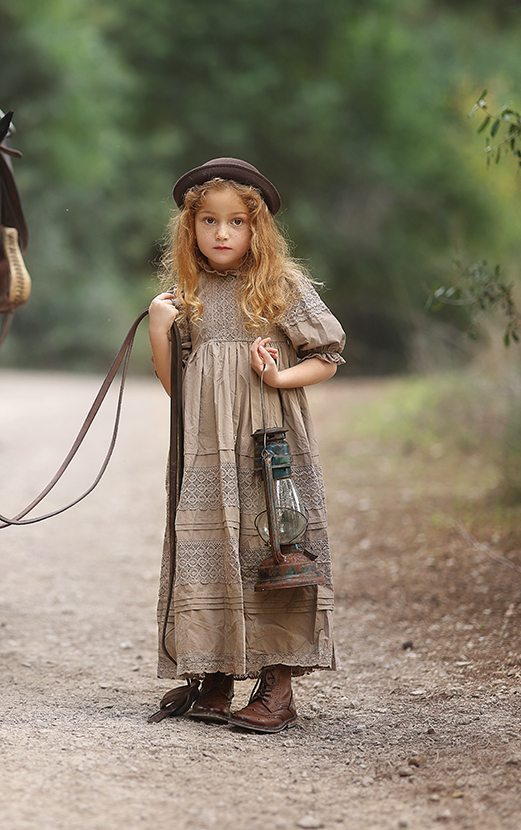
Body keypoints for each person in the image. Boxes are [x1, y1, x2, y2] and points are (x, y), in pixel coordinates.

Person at [146, 158, 345, 733]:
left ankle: (278, 683)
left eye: (236, 222)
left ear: (256, 229)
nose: (223, 233)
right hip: (207, 445)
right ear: (192, 229)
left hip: (267, 447)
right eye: (209, 221)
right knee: (207, 543)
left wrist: (280, 378)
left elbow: (326, 358)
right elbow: (175, 385)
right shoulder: (187, 293)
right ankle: (213, 674)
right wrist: (161, 328)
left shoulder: (280, 286)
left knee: (271, 545)